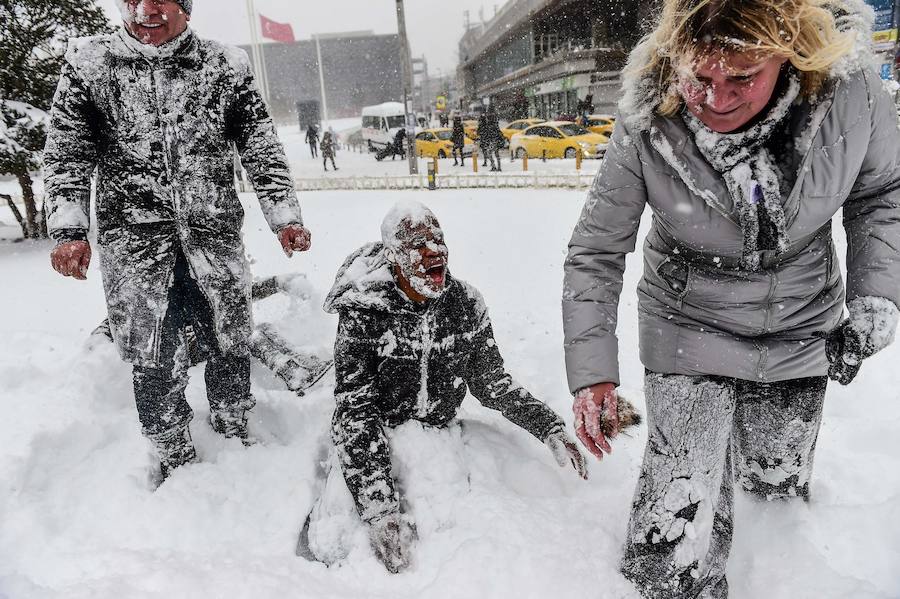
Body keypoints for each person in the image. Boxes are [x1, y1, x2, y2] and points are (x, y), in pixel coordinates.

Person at [563, 0, 900, 597]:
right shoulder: (648, 113)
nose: (717, 99)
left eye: (742, 77)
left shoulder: (850, 94)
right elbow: (596, 248)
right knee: (677, 519)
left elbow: (881, 194)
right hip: (687, 323)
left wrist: (877, 297)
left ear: (788, 54)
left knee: (775, 497)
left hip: (802, 323)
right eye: (701, 78)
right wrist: (592, 375)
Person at [44, 0, 312, 480]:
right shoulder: (90, 65)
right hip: (134, 242)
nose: (146, 8)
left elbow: (260, 145)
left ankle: (233, 426)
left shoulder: (223, 66)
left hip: (213, 234)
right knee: (152, 350)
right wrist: (68, 230)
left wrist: (283, 215)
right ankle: (172, 451)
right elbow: (67, 155)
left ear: (185, 8)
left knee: (229, 337)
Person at [325, 201, 588, 573]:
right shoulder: (364, 313)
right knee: (343, 549)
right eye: (418, 244)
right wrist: (379, 508)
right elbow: (355, 409)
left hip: (438, 442)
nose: (434, 252)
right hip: (375, 438)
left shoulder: (465, 305)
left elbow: (493, 383)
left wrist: (547, 425)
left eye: (439, 240)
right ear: (395, 257)